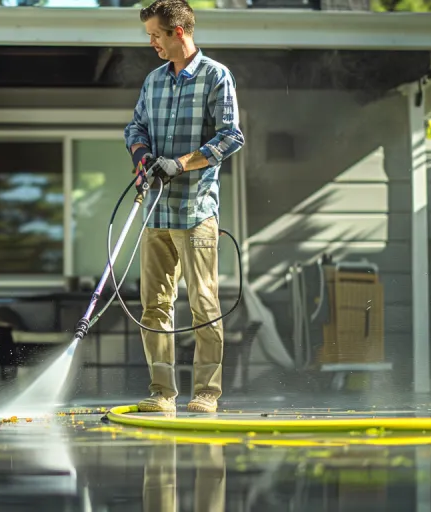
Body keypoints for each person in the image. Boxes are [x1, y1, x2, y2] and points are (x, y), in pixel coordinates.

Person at [124, 0, 244, 414]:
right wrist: (143, 156)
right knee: (154, 306)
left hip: (196, 213)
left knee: (203, 302)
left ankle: (207, 393)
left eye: (155, 35)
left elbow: (230, 137)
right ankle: (162, 393)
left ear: (178, 31)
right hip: (155, 212)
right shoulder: (154, 81)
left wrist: (180, 163)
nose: (152, 43)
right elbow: (135, 126)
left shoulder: (215, 76)